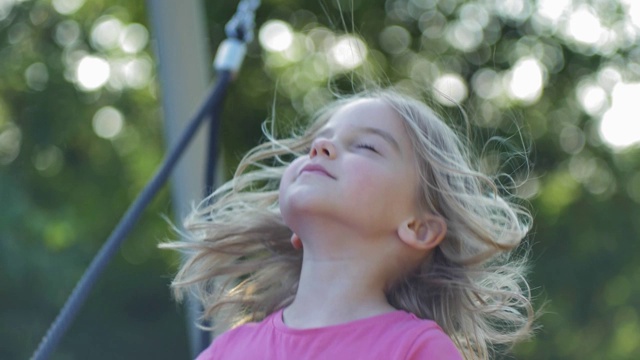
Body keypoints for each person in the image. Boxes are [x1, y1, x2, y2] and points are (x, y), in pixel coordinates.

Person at [163, 89, 536, 359]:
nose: (319, 149)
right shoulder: (225, 352)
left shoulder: (415, 350)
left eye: (366, 147)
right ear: (295, 230)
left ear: (419, 227)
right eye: (319, 141)